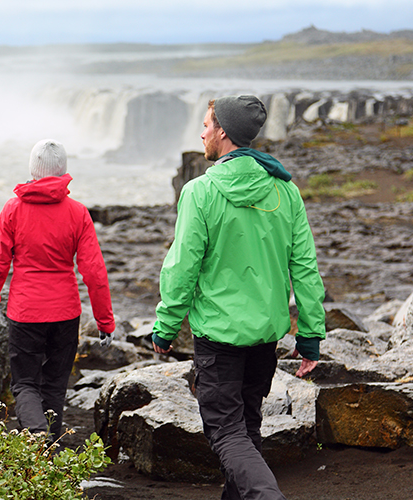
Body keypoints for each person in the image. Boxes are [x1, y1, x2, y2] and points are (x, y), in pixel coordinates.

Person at [151, 95, 325, 500]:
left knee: (226, 432)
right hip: (265, 338)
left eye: (207, 125)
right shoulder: (286, 192)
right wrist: (310, 336)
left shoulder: (200, 192)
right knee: (246, 430)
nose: (202, 133)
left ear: (223, 132)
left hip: (220, 340)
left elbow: (182, 269)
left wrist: (165, 326)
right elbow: (305, 270)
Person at [0, 138, 115, 442]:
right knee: (54, 385)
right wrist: (105, 322)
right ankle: (48, 447)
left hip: (25, 312)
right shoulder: (78, 213)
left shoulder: (12, 209)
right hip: (65, 313)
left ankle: (36, 435)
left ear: (33, 170)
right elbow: (94, 273)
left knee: (25, 383)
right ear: (63, 171)